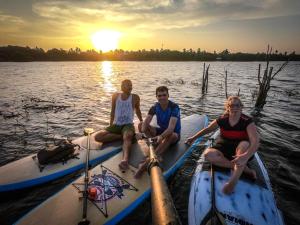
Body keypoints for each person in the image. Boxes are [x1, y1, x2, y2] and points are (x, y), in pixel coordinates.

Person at [186, 96, 259, 194]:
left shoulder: (247, 121)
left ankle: (232, 183)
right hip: (224, 145)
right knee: (208, 155)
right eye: (231, 105)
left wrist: (245, 156)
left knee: (244, 146)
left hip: (241, 146)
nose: (234, 108)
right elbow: (207, 129)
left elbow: (255, 141)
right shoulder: (222, 119)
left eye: (237, 105)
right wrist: (193, 138)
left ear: (241, 107)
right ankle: (244, 169)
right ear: (227, 107)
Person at [95, 79, 143, 171]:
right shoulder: (115, 96)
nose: (130, 87)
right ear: (122, 87)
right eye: (127, 85)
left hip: (128, 124)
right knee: (98, 137)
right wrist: (110, 126)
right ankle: (123, 137)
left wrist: (141, 121)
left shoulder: (135, 97)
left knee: (127, 136)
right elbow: (112, 111)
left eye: (131, 85)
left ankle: (125, 160)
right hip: (116, 125)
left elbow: (138, 110)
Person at [134, 86, 181, 178]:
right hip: (161, 131)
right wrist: (142, 133)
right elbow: (146, 122)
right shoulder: (155, 107)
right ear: (156, 97)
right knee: (141, 125)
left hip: (173, 135)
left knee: (171, 135)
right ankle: (154, 145)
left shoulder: (174, 107)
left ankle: (146, 163)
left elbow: (171, 129)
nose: (162, 97)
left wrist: (161, 137)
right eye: (159, 96)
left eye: (164, 95)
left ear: (168, 95)